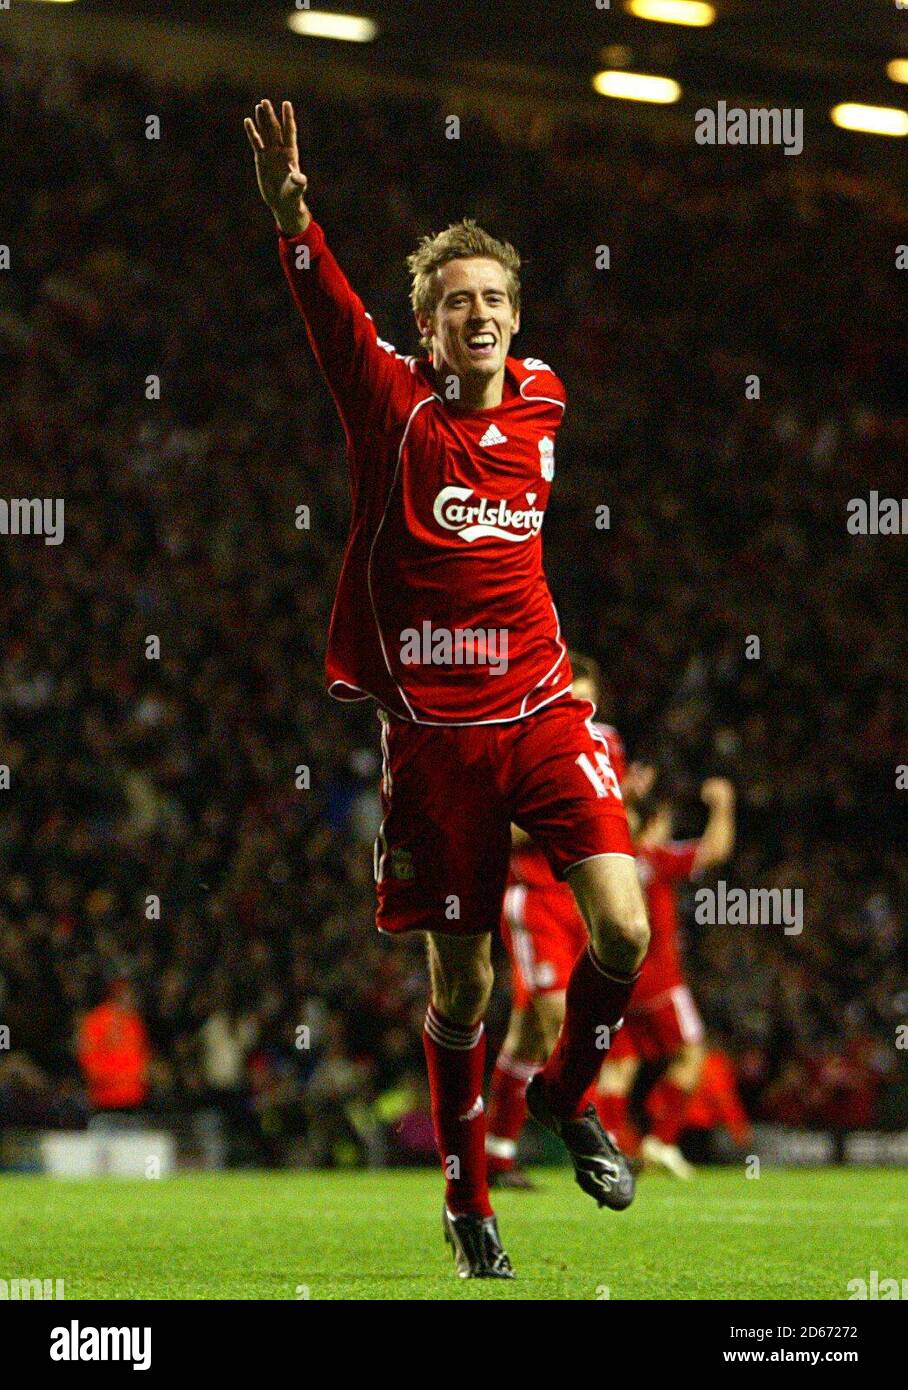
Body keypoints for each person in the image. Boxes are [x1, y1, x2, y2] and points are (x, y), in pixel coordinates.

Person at [244, 100, 649, 1278]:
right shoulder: (390, 404)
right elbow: (331, 321)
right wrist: (295, 222)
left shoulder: (544, 398)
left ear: (514, 318)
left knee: (623, 926)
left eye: (493, 300)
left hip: (543, 708)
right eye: (455, 301)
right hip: (433, 739)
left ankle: (565, 1092)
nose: (478, 315)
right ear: (424, 326)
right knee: (462, 982)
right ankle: (468, 1198)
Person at [486, 652, 627, 1187]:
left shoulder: (607, 745)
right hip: (534, 901)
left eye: (588, 702)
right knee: (556, 1017)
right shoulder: (526, 746)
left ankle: (495, 1156)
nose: (581, 712)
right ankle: (597, 1141)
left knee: (524, 1037)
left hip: (578, 901)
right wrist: (564, 822)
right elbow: (497, 829)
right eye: (572, 701)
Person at [598, 767, 736, 1179]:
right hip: (659, 982)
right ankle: (660, 1139)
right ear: (654, 823)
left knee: (620, 1067)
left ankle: (608, 1146)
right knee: (691, 1054)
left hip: (612, 981)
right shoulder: (654, 859)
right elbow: (715, 850)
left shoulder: (608, 864)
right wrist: (723, 804)